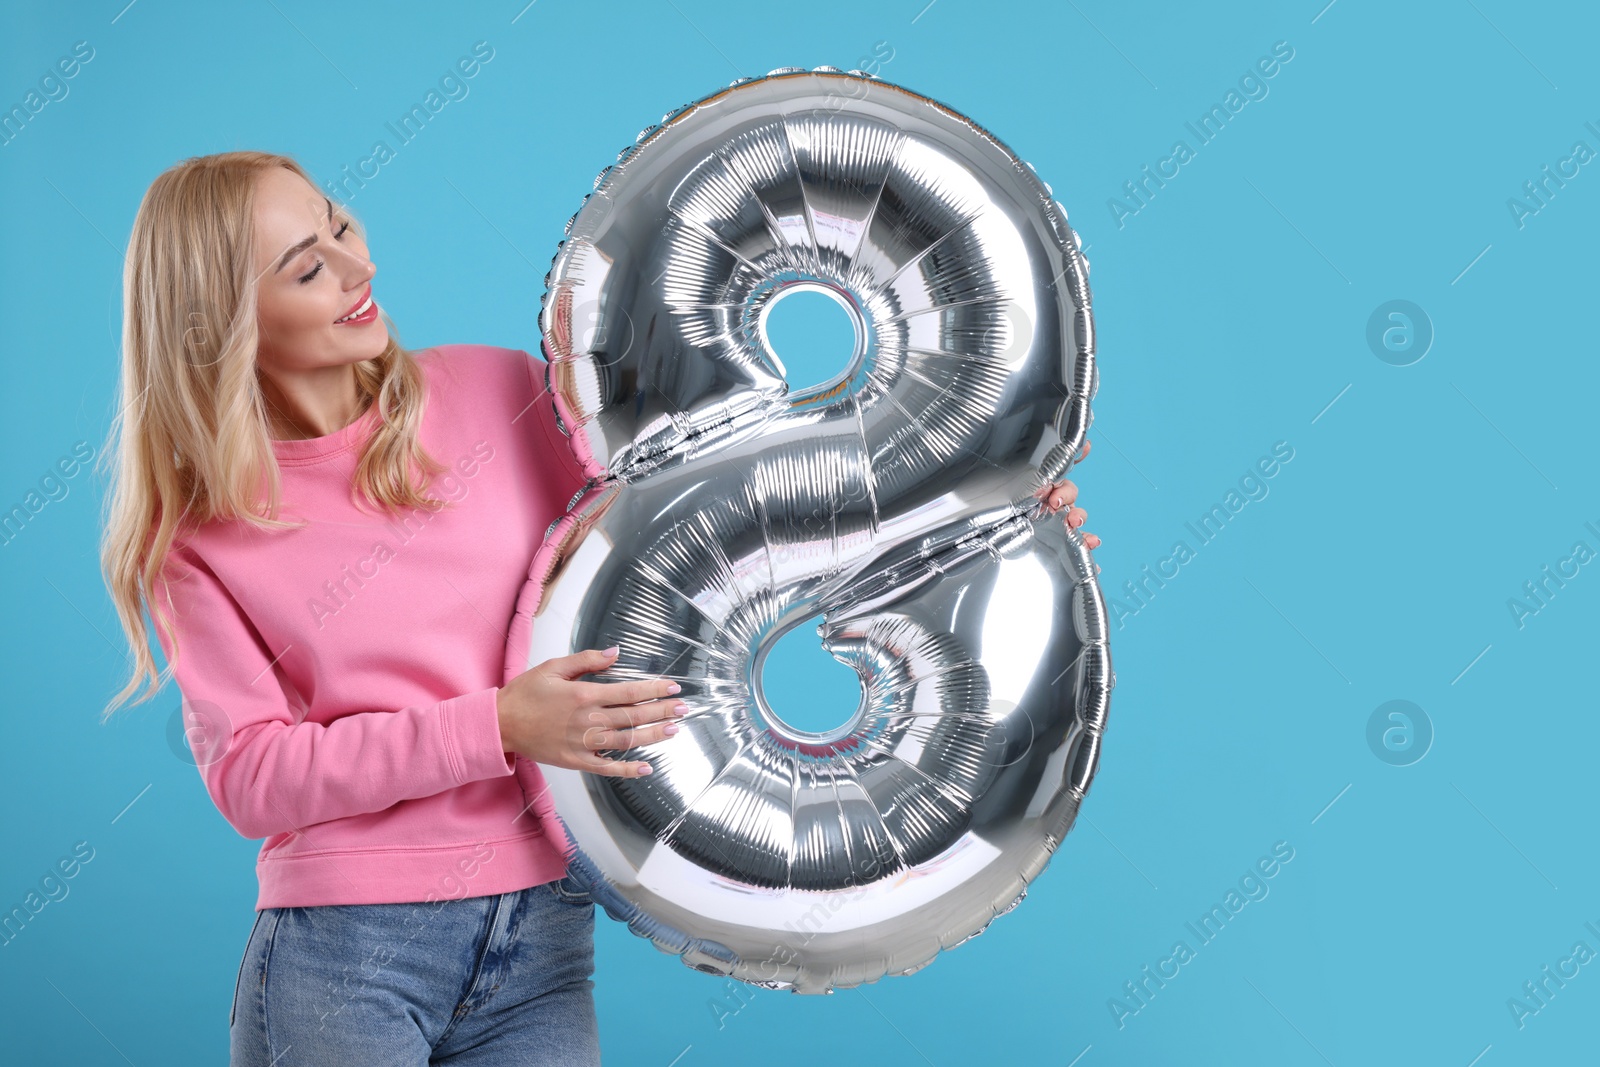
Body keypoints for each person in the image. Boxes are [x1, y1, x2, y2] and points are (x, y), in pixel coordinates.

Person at [96, 151, 1097, 1066]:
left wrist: (978, 509)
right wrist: (496, 724)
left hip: (542, 927)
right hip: (348, 954)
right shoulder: (201, 536)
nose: (356, 269)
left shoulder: (494, 394)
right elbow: (252, 777)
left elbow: (729, 514)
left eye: (339, 225)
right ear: (218, 321)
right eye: (305, 268)